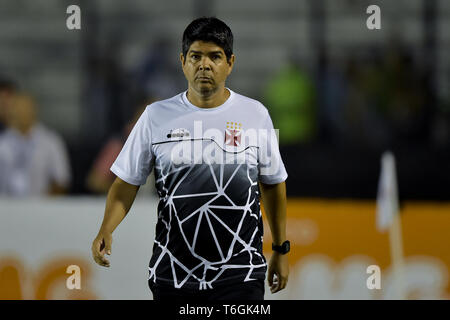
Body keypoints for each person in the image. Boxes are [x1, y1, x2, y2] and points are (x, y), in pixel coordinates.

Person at [91, 17, 290, 301]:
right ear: (183, 61)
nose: (204, 65)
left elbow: (272, 184)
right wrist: (106, 229)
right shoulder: (154, 116)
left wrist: (281, 249)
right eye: (196, 56)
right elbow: (126, 183)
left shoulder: (256, 115)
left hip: (241, 274)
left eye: (215, 57)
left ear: (230, 63)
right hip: (173, 276)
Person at [0, 93, 71, 196]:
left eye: (25, 108)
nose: (21, 113)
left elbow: (61, 180)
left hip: (40, 205)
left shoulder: (50, 142)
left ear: (34, 110)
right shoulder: (2, 142)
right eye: (17, 108)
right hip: (4, 205)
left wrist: (46, 205)